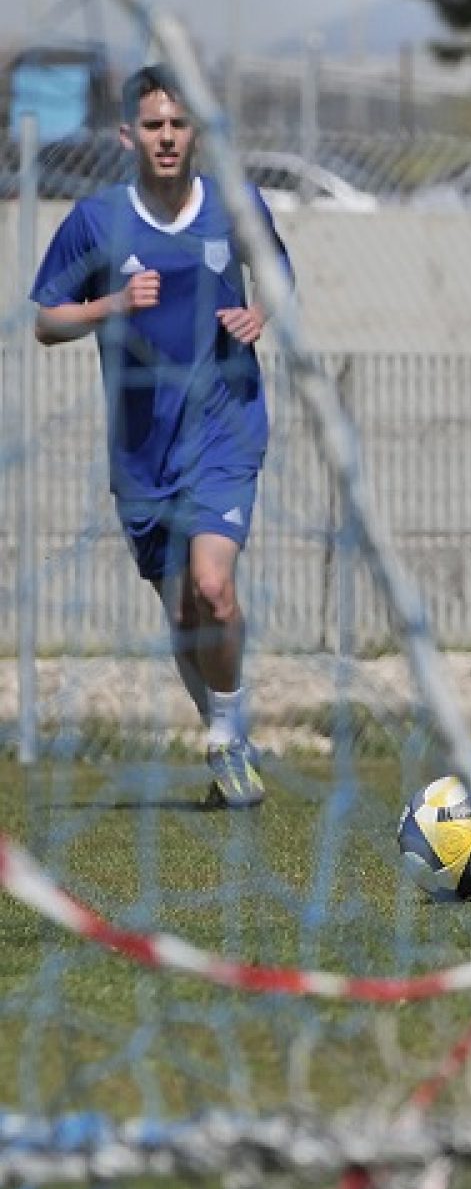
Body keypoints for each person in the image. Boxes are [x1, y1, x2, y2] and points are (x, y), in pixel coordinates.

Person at [31, 65, 290, 809]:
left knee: (214, 586)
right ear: (128, 135)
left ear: (195, 131)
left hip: (226, 426)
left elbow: (276, 272)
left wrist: (261, 314)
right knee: (181, 613)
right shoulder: (96, 222)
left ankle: (227, 732)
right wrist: (110, 304)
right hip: (142, 450)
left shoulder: (233, 205)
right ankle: (226, 738)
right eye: (153, 125)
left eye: (178, 123)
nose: (168, 137)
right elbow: (47, 319)